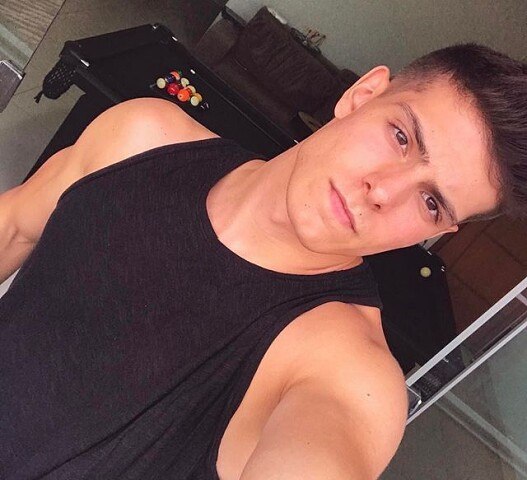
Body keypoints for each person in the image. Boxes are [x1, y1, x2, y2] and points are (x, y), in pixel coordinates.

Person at [0, 43, 526, 480]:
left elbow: (326, 451)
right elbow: (14, 227)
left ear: (438, 231)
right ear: (363, 95)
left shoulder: (350, 374)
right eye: (401, 137)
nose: (384, 192)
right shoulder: (142, 135)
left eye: (431, 202)